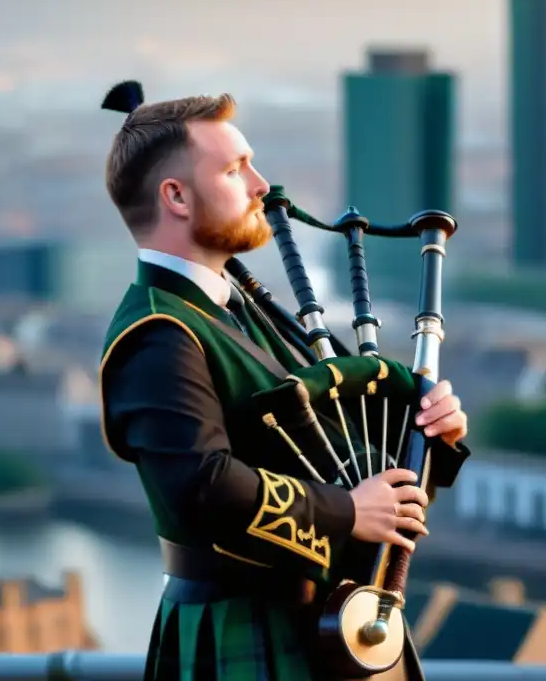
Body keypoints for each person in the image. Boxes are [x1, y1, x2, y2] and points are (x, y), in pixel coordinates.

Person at [97, 87, 470, 681]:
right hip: (240, 627)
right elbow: (200, 486)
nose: (261, 185)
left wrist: (432, 441)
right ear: (175, 196)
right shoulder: (158, 333)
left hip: (326, 618)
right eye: (234, 168)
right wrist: (347, 511)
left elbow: (327, 452)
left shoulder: (234, 310)